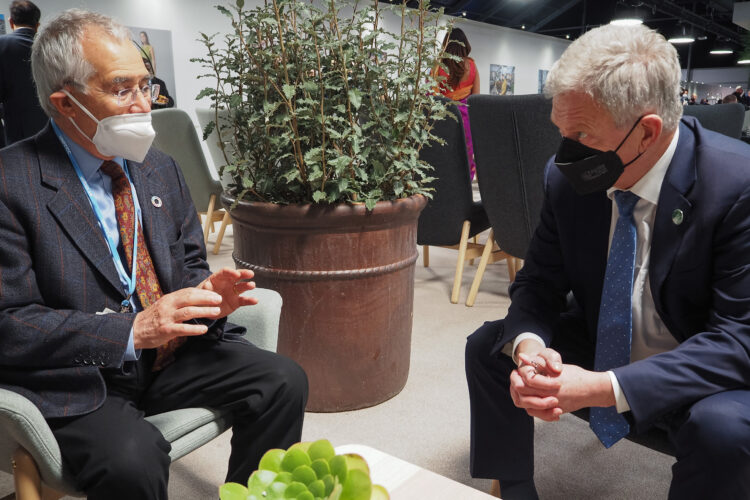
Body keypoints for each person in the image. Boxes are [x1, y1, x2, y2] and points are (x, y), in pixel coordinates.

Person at [0, 9, 308, 500]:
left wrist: (206, 297)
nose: (145, 105)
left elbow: (186, 266)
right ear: (65, 102)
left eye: (148, 85)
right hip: (78, 376)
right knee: (131, 460)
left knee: (282, 380)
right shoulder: (10, 182)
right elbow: (10, 324)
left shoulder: (158, 168)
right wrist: (128, 332)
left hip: (166, 358)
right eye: (123, 90)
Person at [465, 23, 750, 500]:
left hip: (698, 364)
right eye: (560, 131)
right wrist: (530, 348)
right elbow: (538, 283)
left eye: (581, 135)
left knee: (725, 431)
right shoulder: (566, 180)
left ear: (647, 132)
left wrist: (603, 387)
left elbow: (737, 343)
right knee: (489, 348)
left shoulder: (737, 186)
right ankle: (512, 489)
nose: (564, 154)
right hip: (607, 336)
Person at [433, 28, 480, 179]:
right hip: (465, 118)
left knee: (443, 154)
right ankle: (464, 190)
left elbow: (432, 95)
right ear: (465, 43)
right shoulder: (471, 66)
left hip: (443, 116)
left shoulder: (438, 65)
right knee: (465, 155)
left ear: (446, 44)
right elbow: (476, 98)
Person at [0, 0, 47, 145]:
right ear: (37, 25)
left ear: (11, 21)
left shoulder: (2, 45)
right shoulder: (51, 46)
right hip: (51, 126)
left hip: (16, 131)